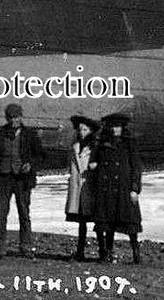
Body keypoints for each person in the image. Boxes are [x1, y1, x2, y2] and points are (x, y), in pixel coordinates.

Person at [0, 103, 43, 259]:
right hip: (4, 179)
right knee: (0, 214)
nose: (13, 121)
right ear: (6, 118)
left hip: (22, 180)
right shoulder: (0, 134)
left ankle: (25, 246)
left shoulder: (30, 134)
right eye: (10, 117)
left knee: (24, 213)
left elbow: (40, 155)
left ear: (21, 117)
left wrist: (30, 164)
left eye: (16, 117)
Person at [90, 113, 143, 264]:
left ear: (123, 128)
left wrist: (135, 188)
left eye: (118, 127)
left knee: (130, 222)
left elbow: (136, 167)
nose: (115, 130)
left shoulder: (129, 144)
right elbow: (94, 163)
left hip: (124, 188)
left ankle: (136, 253)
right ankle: (107, 253)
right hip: (105, 188)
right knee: (106, 222)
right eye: (112, 127)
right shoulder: (101, 144)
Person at [65, 115, 100, 261]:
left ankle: (103, 252)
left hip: (90, 187)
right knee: (81, 221)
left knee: (98, 221)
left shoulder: (95, 147)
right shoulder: (75, 146)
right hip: (78, 188)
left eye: (85, 129)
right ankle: (80, 251)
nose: (82, 132)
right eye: (80, 130)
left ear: (91, 131)